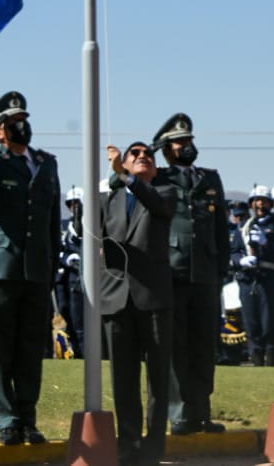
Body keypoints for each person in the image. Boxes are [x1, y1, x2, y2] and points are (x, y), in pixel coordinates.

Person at [0, 91, 62, 447]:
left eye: (23, 119)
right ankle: (7, 421)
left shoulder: (46, 163)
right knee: (1, 350)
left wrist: (52, 263)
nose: (21, 126)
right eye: (12, 122)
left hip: (36, 269)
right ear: (0, 130)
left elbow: (52, 220)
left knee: (32, 349)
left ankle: (28, 419)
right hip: (0, 268)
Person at [100, 140, 178, 466]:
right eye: (135, 154)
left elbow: (157, 205)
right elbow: (88, 231)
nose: (142, 156)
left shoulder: (165, 192)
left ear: (155, 168)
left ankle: (154, 445)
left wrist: (126, 175)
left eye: (148, 155)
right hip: (117, 298)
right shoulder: (110, 198)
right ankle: (128, 443)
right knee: (123, 377)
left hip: (153, 297)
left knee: (157, 377)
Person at [151, 114, 230, 435]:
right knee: (175, 346)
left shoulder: (210, 178)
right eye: (179, 142)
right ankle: (180, 413)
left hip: (205, 274)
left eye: (188, 140)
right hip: (173, 272)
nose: (186, 146)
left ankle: (201, 411)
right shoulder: (159, 178)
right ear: (165, 149)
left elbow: (221, 228)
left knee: (204, 345)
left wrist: (221, 269)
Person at [236, 185, 274, 367]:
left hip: (268, 279)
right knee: (251, 323)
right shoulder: (245, 226)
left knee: (268, 323)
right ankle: (256, 361)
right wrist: (241, 260)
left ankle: (269, 360)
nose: (260, 205)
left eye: (264, 201)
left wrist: (266, 243)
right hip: (248, 280)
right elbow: (234, 249)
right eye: (256, 201)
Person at [56, 186, 86, 358]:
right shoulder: (64, 224)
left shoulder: (90, 224)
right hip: (67, 278)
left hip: (83, 277)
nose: (73, 207)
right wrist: (67, 258)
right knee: (67, 315)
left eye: (76, 203)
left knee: (81, 321)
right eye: (70, 204)